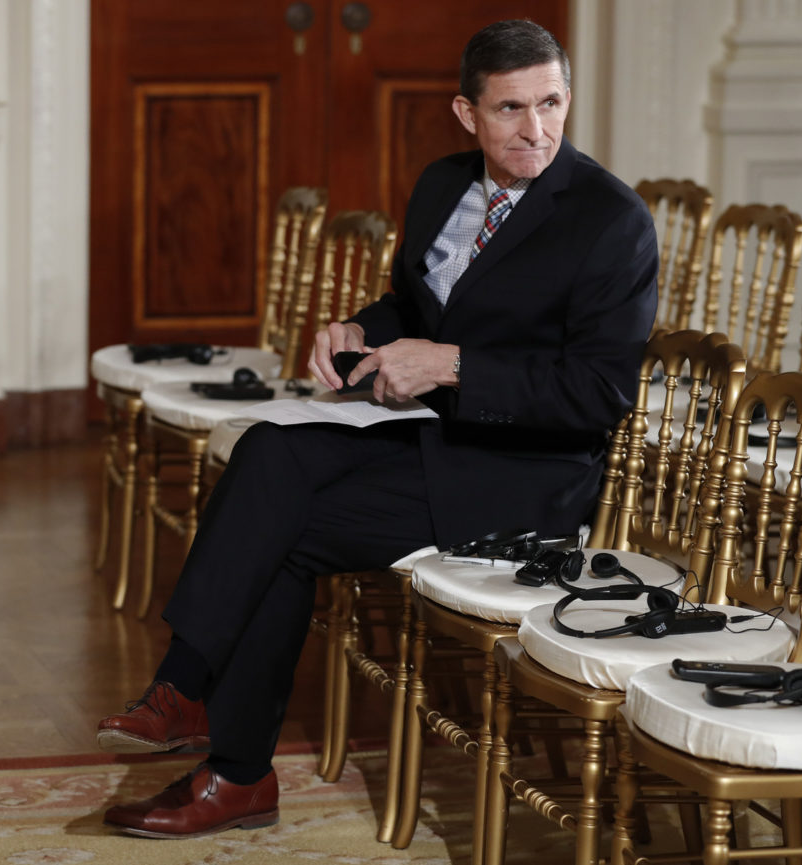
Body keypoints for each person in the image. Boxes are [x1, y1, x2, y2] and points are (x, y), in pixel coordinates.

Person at [98, 18, 659, 840]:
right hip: (431, 438)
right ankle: (207, 731)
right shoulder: (441, 185)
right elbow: (413, 306)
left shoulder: (612, 220)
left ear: (567, 99)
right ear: (466, 113)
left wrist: (453, 364)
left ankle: (217, 744)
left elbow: (599, 392)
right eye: (510, 109)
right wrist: (359, 329)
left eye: (550, 104)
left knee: (278, 527)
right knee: (269, 452)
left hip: (525, 478)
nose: (534, 129)